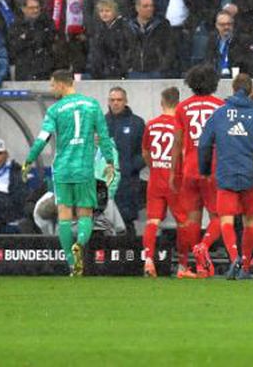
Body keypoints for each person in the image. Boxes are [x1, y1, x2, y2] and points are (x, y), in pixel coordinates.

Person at [24, 71, 118, 277]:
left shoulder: (55, 110)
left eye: (52, 85)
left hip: (62, 169)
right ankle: (80, 244)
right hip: (84, 168)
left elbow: (42, 138)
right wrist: (110, 161)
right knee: (85, 214)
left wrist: (29, 160)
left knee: (64, 215)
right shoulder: (92, 105)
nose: (52, 89)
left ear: (61, 84)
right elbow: (103, 136)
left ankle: (71, 263)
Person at [197, 73, 253, 279]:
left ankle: (234, 257)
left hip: (226, 173)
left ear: (233, 89)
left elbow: (204, 144)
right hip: (250, 175)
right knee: (249, 221)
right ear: (252, 91)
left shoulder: (219, 114)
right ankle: (245, 265)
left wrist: (205, 169)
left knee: (226, 220)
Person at [173, 65, 225, 277]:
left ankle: (192, 265)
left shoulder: (182, 107)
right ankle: (203, 248)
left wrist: (174, 172)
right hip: (213, 168)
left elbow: (177, 143)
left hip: (190, 169)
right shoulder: (220, 106)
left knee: (192, 220)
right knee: (220, 217)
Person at [141, 86, 183, 277]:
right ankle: (183, 265)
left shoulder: (151, 125)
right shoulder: (180, 125)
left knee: (152, 221)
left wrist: (154, 167)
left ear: (161, 103)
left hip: (156, 179)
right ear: (178, 104)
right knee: (183, 223)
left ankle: (149, 260)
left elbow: (145, 152)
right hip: (175, 180)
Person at [106, 86, 146, 230]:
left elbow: (145, 151)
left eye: (119, 100)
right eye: (112, 100)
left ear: (125, 101)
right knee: (103, 223)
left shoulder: (137, 123)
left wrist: (131, 167)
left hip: (128, 183)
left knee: (127, 223)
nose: (115, 103)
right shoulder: (101, 123)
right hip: (105, 183)